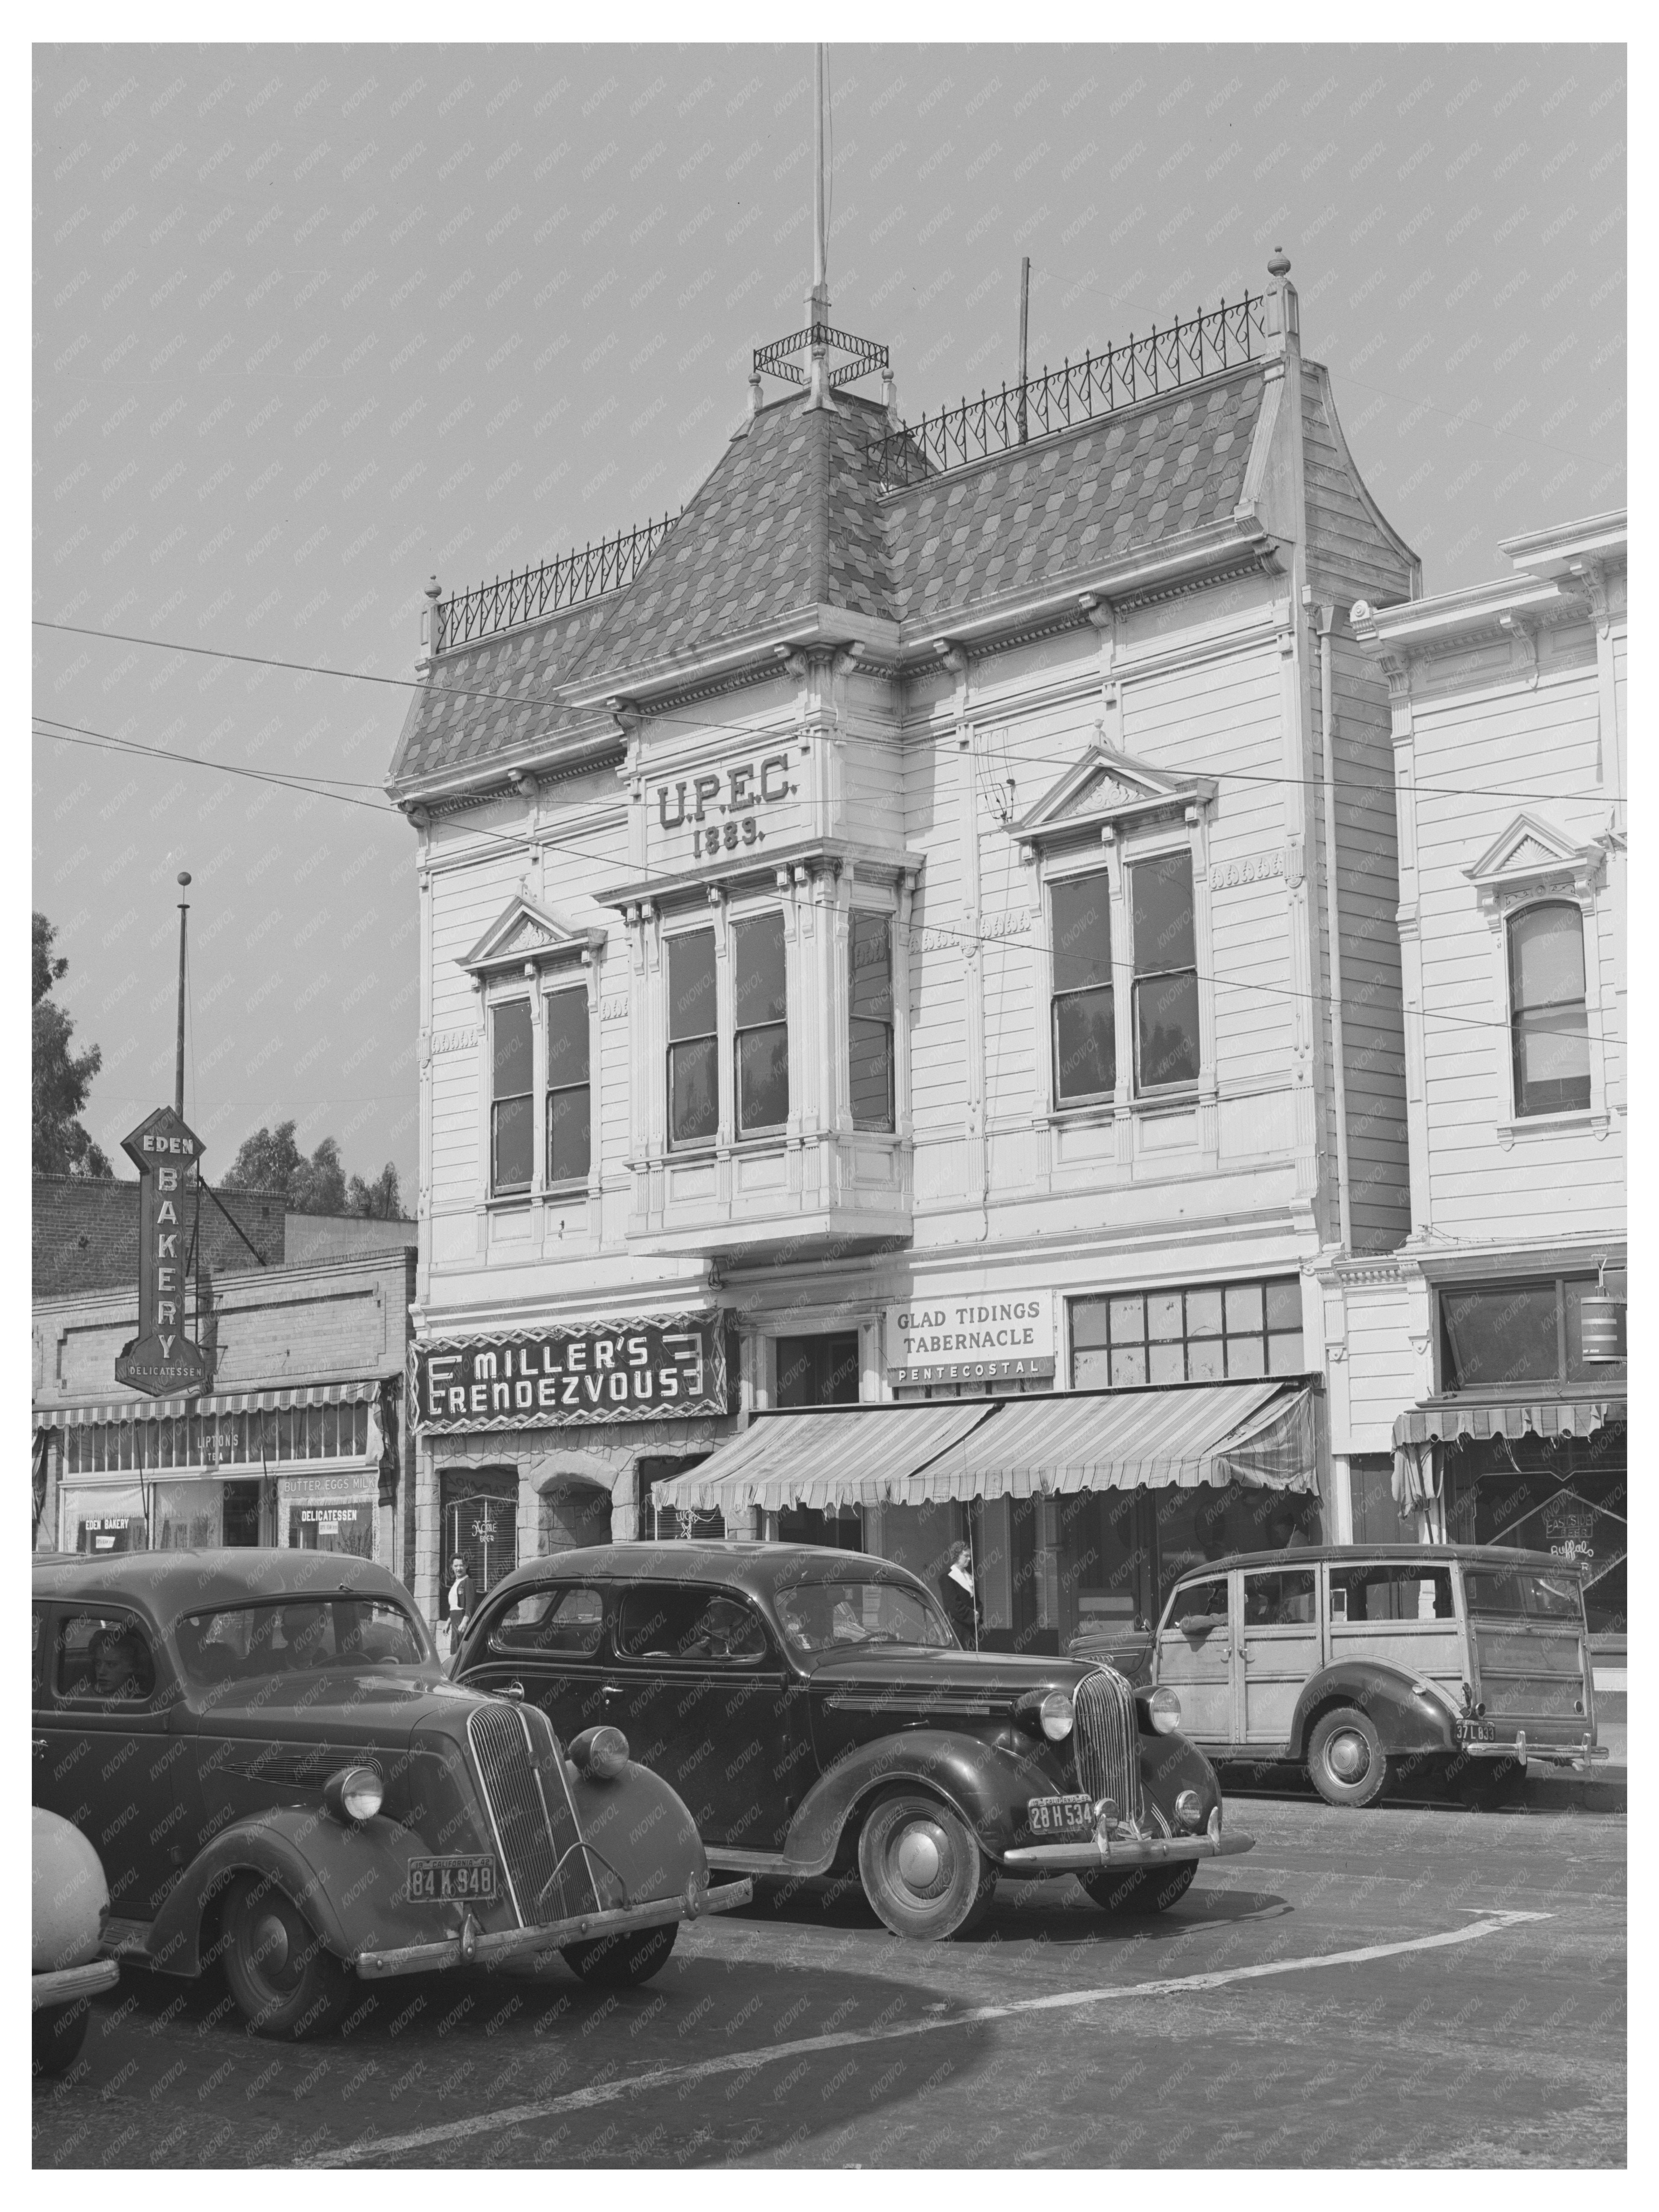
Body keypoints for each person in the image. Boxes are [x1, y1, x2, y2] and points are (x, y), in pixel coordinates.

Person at [938, 1541, 981, 1648]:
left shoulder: (970, 1577)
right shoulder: (947, 1578)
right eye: (966, 1556)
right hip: (957, 1630)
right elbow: (953, 1605)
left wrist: (978, 1613)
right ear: (957, 1556)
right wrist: (972, 1615)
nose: (969, 1559)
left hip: (972, 1631)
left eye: (970, 1556)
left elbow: (978, 1602)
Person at [447, 1555, 475, 1657]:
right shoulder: (457, 1582)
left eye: (462, 1565)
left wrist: (464, 1622)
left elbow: (470, 1604)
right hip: (455, 1619)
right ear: (452, 1567)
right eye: (456, 1566)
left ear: (467, 1566)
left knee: (460, 1652)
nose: (459, 1569)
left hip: (462, 1620)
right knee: (455, 1651)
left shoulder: (468, 1582)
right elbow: (455, 1606)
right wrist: (448, 1623)